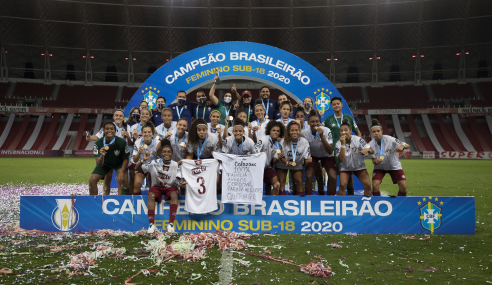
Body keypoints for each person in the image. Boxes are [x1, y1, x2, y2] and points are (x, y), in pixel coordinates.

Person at [137, 139, 185, 234]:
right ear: (161, 153)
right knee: (151, 195)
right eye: (164, 152)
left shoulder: (175, 165)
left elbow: (179, 180)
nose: (166, 153)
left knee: (175, 194)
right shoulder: (154, 163)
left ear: (172, 154)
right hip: (157, 187)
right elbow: (137, 168)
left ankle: (171, 224)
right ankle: (151, 225)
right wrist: (143, 160)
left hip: (170, 187)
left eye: (169, 152)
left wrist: (180, 184)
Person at [86, 110, 131, 195]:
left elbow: (130, 146)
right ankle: (100, 199)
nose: (118, 117)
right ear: (113, 117)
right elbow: (97, 137)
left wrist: (121, 171)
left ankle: (121, 201)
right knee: (104, 179)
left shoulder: (128, 128)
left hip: (120, 158)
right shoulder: (99, 141)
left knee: (122, 180)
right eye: (116, 115)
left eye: (120, 116)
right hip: (107, 158)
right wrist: (90, 137)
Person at [323, 96, 361, 195]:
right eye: (334, 104)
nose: (336, 105)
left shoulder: (348, 118)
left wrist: (356, 146)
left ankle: (351, 197)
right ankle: (332, 199)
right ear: (332, 106)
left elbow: (358, 133)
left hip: (346, 152)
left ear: (341, 104)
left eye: (338, 103)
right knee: (332, 177)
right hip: (332, 153)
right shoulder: (328, 120)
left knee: (349, 177)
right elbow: (324, 134)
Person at [368, 118, 410, 196]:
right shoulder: (370, 145)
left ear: (382, 131)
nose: (376, 133)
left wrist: (402, 146)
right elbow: (373, 161)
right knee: (375, 185)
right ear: (371, 133)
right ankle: (377, 202)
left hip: (394, 166)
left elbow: (407, 145)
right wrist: (376, 161)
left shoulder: (390, 139)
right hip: (379, 168)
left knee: (403, 186)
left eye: (378, 131)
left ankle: (400, 204)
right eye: (374, 132)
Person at [336, 119, 374, 196]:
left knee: (367, 185)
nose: (343, 132)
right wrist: (343, 144)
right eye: (341, 130)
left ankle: (367, 204)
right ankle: (341, 204)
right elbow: (341, 158)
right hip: (345, 167)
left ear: (350, 131)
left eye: (346, 130)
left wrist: (366, 149)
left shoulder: (358, 139)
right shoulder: (338, 143)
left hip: (359, 167)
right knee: (342, 185)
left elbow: (372, 151)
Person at [301, 110, 335, 196]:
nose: (315, 124)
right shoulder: (303, 133)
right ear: (308, 123)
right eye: (312, 122)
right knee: (309, 175)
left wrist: (322, 136)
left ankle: (331, 197)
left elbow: (330, 150)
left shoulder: (326, 130)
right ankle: (308, 196)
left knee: (332, 175)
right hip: (313, 156)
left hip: (327, 155)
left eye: (316, 121)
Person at [275, 121, 312, 195]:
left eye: (296, 130)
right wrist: (287, 162)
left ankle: (299, 202)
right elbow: (280, 155)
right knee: (282, 182)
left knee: (298, 182)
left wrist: (307, 160)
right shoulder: (283, 141)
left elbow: (307, 158)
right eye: (292, 130)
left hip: (297, 163)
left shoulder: (304, 142)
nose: (294, 132)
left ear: (299, 131)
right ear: (288, 131)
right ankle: (281, 201)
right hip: (283, 162)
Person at [255, 120, 284, 195]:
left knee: (277, 184)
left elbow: (274, 160)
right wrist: (262, 154)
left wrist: (278, 158)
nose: (276, 132)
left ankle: (273, 203)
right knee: (257, 189)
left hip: (267, 168)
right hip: (257, 168)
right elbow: (254, 152)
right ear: (269, 131)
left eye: (278, 131)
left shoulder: (278, 145)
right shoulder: (263, 139)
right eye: (273, 130)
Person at [132, 122, 157, 195]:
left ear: (152, 133)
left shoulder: (157, 142)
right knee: (136, 184)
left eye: (149, 132)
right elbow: (135, 160)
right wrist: (139, 152)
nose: (147, 134)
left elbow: (160, 159)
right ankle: (137, 205)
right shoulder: (138, 142)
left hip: (154, 167)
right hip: (142, 165)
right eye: (145, 132)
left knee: (153, 186)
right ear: (142, 133)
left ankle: (152, 201)